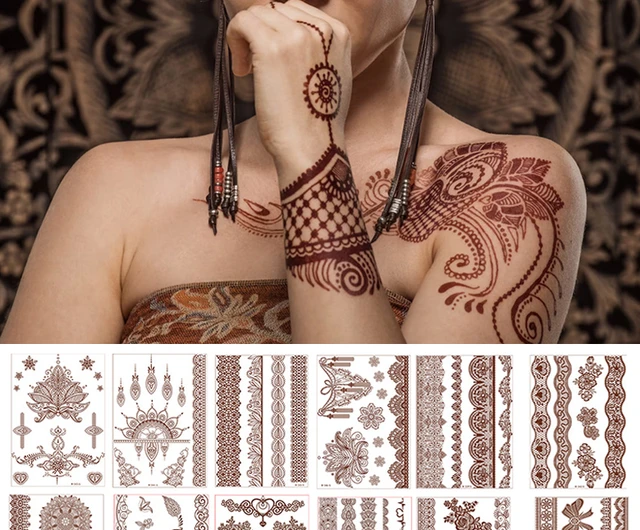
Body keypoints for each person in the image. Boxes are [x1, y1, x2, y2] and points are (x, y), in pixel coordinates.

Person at [1, 0, 586, 344]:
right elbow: (39, 501)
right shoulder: (112, 188)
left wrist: (309, 149)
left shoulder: (514, 185)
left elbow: (396, 492)